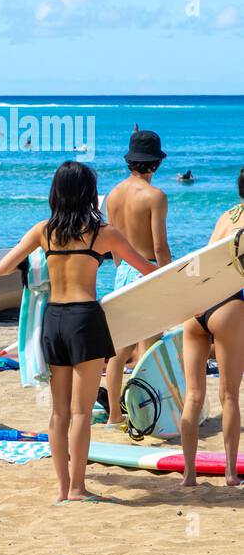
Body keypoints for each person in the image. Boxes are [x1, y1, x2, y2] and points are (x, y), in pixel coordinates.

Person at [0, 161, 155, 503]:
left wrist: (36, 264)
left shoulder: (43, 231)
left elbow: (2, 267)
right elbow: (144, 267)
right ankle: (79, 488)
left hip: (53, 320)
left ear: (57, 192)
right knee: (82, 412)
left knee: (59, 412)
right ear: (88, 194)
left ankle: (62, 489)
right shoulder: (104, 233)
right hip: (85, 319)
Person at [102, 130, 173, 424]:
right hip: (148, 270)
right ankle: (145, 414)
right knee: (149, 346)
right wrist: (169, 278)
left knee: (120, 349)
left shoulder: (113, 195)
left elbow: (112, 243)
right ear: (155, 164)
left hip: (122, 272)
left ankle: (114, 415)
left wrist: (122, 267)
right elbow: (159, 246)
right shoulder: (155, 197)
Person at [180, 166, 244, 486]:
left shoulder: (227, 215)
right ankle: (231, 474)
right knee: (229, 395)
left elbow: (203, 260)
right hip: (229, 307)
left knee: (193, 395)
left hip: (196, 310)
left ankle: (189, 476)